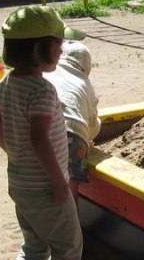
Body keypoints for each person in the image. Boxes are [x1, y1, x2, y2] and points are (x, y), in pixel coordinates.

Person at [0, 5, 85, 260]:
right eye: (58, 44)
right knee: (69, 246)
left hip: (20, 184)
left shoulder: (7, 84)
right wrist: (58, 182)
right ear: (37, 49)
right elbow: (39, 138)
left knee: (34, 245)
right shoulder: (42, 90)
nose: (62, 50)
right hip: (46, 189)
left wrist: (14, 151)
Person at [44, 40, 101, 208]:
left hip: (48, 128)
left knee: (47, 177)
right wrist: (89, 137)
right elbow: (92, 122)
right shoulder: (84, 82)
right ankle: (72, 214)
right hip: (74, 133)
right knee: (71, 184)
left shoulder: (49, 73)